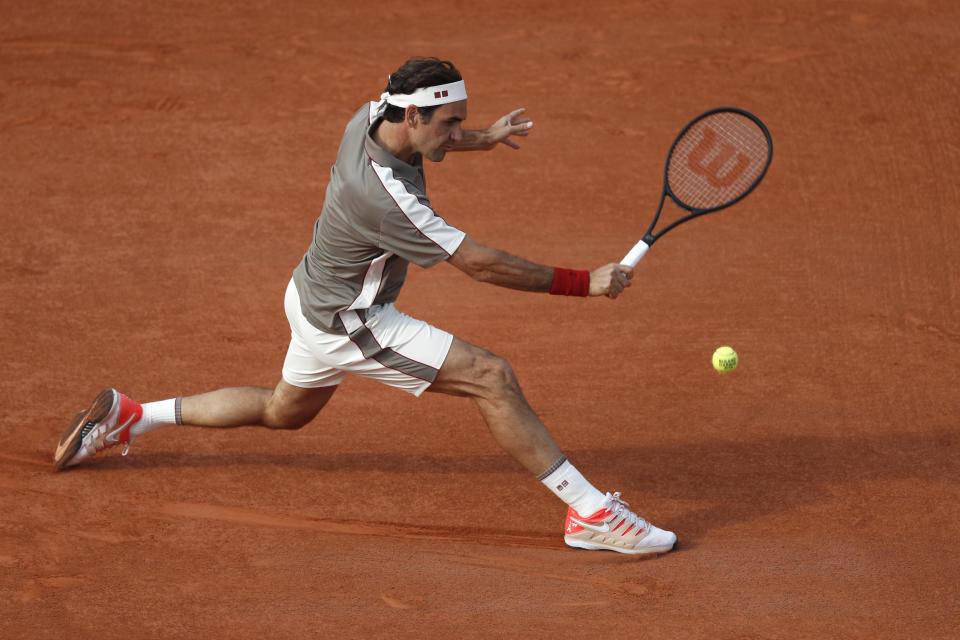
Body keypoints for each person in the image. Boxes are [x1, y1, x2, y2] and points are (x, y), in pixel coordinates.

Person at [54, 57, 676, 556]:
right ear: (411, 114)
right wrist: (583, 283)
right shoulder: (385, 199)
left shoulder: (371, 115)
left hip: (308, 295)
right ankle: (590, 513)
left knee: (282, 412)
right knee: (492, 377)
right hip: (352, 323)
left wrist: (484, 138)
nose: (456, 132)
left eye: (462, 121)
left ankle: (135, 417)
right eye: (450, 124)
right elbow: (480, 264)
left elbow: (431, 136)